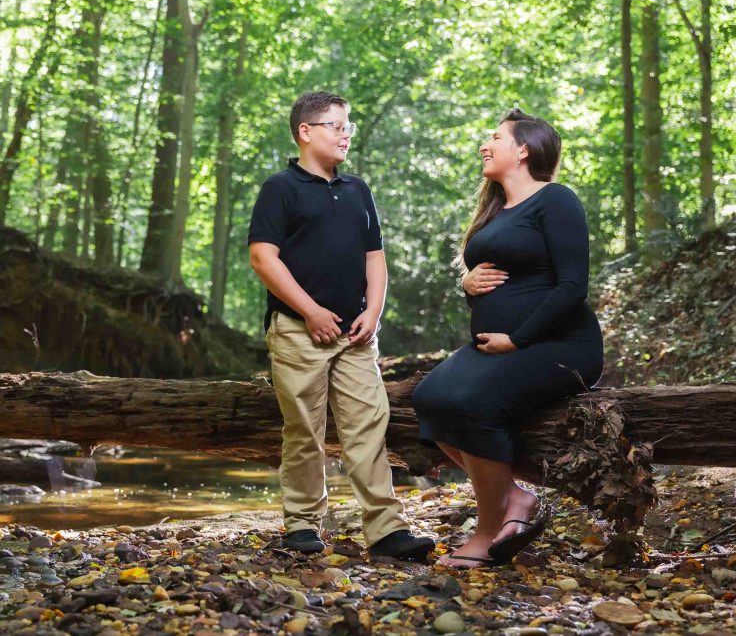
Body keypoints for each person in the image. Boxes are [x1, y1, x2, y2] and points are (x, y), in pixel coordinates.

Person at [411, 108, 604, 568]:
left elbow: (573, 286)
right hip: (496, 345)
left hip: (560, 345)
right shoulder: (498, 211)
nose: (485, 144)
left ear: (523, 149)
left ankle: (485, 528)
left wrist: (517, 339)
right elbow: (499, 281)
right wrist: (467, 284)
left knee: (475, 405)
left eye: (495, 137)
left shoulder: (556, 200)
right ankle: (516, 498)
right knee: (429, 397)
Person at [248, 91, 435, 560]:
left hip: (355, 336)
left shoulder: (358, 191)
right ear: (306, 132)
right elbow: (262, 257)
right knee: (304, 430)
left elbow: (376, 258)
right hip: (297, 331)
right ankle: (302, 524)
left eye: (348, 125)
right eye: (336, 125)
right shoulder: (280, 188)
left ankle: (387, 529)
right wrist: (310, 311)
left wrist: (373, 312)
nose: (346, 133)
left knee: (369, 425)